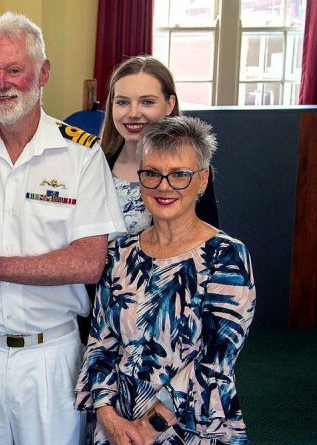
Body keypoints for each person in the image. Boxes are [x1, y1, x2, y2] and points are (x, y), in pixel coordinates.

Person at [0, 12, 126, 445]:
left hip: (49, 359)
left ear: (43, 73)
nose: (1, 82)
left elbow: (89, 262)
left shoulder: (80, 156)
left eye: (14, 69)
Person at [75, 116, 256, 445]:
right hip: (117, 428)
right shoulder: (119, 254)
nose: (163, 186)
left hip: (190, 429)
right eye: (152, 174)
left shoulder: (226, 256)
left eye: (179, 175)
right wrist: (107, 415)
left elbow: (215, 360)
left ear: (203, 179)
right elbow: (100, 342)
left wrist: (149, 427)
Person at [100, 56, 219, 235]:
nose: (133, 113)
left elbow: (207, 244)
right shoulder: (92, 165)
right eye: (123, 102)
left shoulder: (190, 171)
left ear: (169, 104)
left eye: (147, 102)